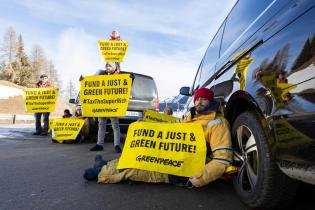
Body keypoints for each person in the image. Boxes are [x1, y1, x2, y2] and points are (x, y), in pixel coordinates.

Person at [83, 87, 233, 188]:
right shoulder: (190, 116)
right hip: (172, 155)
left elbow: (223, 159)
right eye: (197, 99)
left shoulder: (218, 123)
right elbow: (171, 127)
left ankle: (101, 173)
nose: (199, 102)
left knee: (140, 170)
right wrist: (152, 121)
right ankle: (108, 163)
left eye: (204, 99)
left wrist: (202, 178)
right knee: (139, 155)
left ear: (211, 101)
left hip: (184, 168)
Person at [89, 62, 122, 153]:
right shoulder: (101, 75)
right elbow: (91, 82)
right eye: (106, 66)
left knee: (115, 125)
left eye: (110, 65)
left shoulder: (119, 76)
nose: (107, 67)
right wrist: (83, 80)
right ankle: (99, 144)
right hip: (102, 104)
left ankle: (117, 145)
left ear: (114, 67)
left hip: (112, 104)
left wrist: (131, 79)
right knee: (101, 124)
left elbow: (124, 88)